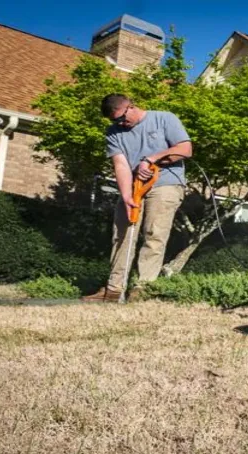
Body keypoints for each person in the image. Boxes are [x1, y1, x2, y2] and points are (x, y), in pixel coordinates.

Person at [81, 93, 192, 302]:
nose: (120, 124)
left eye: (122, 118)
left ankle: (142, 288)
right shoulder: (113, 132)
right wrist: (126, 196)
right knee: (122, 233)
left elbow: (185, 149)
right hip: (133, 187)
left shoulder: (163, 119)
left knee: (154, 233)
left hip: (166, 184)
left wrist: (151, 159)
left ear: (131, 106)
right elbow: (120, 165)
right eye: (115, 121)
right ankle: (114, 290)